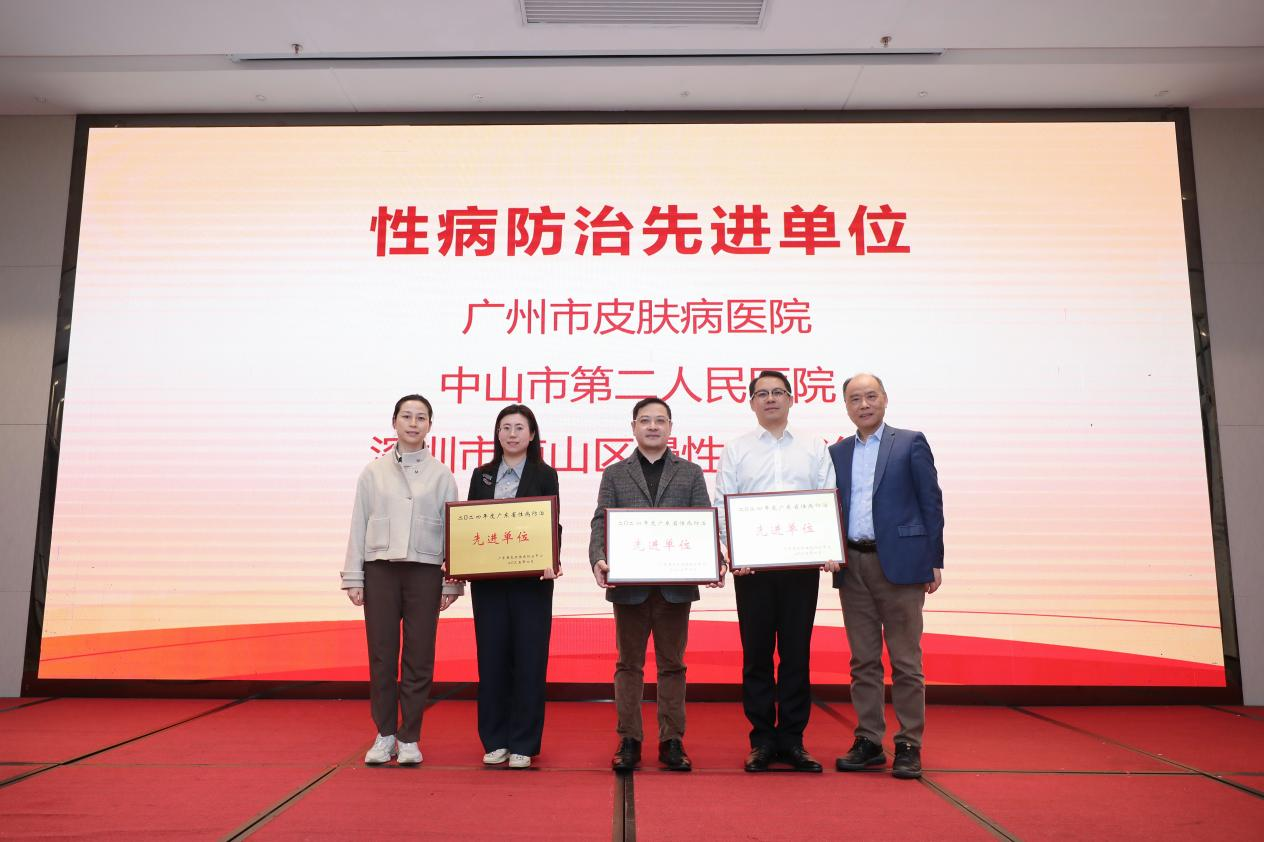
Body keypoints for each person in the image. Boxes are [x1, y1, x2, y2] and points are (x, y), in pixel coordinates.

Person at [714, 371, 837, 773]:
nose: (770, 399)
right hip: (753, 570)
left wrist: (828, 546)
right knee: (757, 656)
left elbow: (828, 498)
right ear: (751, 402)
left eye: (778, 392)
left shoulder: (814, 446)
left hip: (802, 568)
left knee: (797, 654)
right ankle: (763, 740)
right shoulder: (737, 449)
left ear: (791, 398)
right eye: (762, 393)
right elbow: (723, 502)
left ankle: (794, 740)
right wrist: (733, 552)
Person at [589, 397, 720, 773]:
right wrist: (598, 557)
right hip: (629, 587)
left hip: (675, 587)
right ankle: (629, 739)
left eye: (659, 420)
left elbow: (702, 522)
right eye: (644, 420)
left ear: (670, 428)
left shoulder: (690, 472)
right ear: (633, 427)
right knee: (628, 665)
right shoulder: (615, 473)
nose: (652, 426)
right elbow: (601, 521)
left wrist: (712, 560)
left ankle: (671, 740)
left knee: (673, 665)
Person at [829, 373, 944, 780]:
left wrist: (934, 558)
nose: (864, 405)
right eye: (855, 399)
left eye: (870, 396)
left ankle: (909, 743)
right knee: (863, 661)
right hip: (852, 565)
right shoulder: (837, 452)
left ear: (885, 399)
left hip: (902, 565)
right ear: (846, 406)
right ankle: (869, 740)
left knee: (906, 661)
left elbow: (931, 502)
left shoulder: (910, 443)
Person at [341, 394, 462, 766]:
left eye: (421, 417)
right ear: (394, 422)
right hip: (380, 569)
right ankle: (384, 734)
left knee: (419, 655)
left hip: (425, 571)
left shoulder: (442, 474)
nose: (413, 423)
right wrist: (354, 576)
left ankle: (409, 736)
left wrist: (452, 582)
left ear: (430, 426)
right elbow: (358, 523)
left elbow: (453, 532)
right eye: (406, 416)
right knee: (381, 654)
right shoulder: (373, 472)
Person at [467, 404, 561, 770]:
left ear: (532, 434)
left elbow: (552, 522)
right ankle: (495, 740)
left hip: (532, 583)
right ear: (497, 434)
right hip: (488, 583)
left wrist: (552, 557)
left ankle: (523, 742)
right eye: (505, 427)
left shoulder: (545, 474)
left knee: (529, 660)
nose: (512, 434)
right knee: (491, 659)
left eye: (519, 427)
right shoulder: (482, 475)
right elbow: (469, 524)